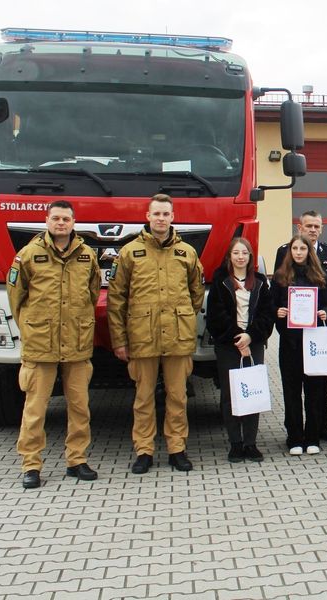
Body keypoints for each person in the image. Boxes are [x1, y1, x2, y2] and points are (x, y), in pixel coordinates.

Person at [108, 194, 205, 474]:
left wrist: (180, 317)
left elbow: (195, 294)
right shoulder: (129, 253)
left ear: (173, 217)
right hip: (142, 337)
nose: (161, 218)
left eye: (166, 214)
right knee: (143, 398)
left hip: (177, 337)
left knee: (178, 397)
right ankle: (144, 450)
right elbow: (117, 300)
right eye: (156, 214)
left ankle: (177, 448)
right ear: (147, 217)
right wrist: (119, 341)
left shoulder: (187, 252)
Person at [6, 200, 100, 489]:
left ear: (74, 222)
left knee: (80, 406)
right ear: (46, 221)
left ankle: (77, 460)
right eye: (56, 218)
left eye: (66, 219)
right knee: (35, 408)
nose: (61, 223)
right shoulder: (28, 255)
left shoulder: (87, 256)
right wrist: (32, 328)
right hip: (41, 346)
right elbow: (15, 297)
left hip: (76, 343)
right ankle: (31, 465)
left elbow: (92, 293)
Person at [274, 211, 327, 441]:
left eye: (317, 226)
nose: (313, 230)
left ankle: (320, 429)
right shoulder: (283, 254)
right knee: (293, 387)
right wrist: (279, 313)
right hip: (293, 336)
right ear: (300, 227)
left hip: (319, 333)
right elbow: (278, 292)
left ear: (322, 228)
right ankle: (294, 433)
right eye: (309, 226)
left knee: (319, 387)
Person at [206, 237, 274, 462]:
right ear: (230, 256)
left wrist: (250, 336)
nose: (240, 257)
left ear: (250, 257)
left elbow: (267, 315)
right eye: (236, 253)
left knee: (253, 393)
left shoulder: (261, 282)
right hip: (228, 345)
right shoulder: (220, 281)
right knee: (230, 395)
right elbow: (216, 315)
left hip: (253, 343)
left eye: (244, 253)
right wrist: (238, 337)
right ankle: (235, 443)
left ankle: (250, 443)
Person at [271, 234, 327, 456]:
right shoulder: (280, 277)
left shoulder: (320, 276)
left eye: (302, 249)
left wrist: (326, 312)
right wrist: (277, 312)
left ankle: (313, 436)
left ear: (309, 251)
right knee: (292, 392)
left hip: (314, 343)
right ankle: (294, 437)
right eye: (295, 248)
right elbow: (271, 306)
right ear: (290, 252)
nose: (298, 252)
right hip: (290, 344)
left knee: (315, 392)